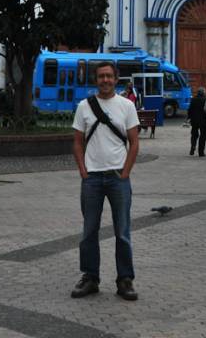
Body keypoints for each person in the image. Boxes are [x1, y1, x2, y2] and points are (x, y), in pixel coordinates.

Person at [71, 60, 139, 301]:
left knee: (122, 231)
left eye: (109, 76)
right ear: (96, 79)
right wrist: (83, 171)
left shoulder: (126, 106)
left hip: (118, 177)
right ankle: (90, 277)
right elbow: (77, 141)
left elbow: (134, 142)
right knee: (89, 230)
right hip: (92, 178)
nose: (105, 80)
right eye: (101, 76)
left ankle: (125, 279)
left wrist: (126, 172)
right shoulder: (84, 107)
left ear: (116, 78)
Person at [187, 86, 206, 156]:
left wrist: (189, 118)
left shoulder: (193, 99)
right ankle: (201, 152)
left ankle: (193, 147)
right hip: (204, 121)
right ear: (203, 93)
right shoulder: (205, 100)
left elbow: (189, 110)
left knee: (194, 135)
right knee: (203, 136)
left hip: (194, 120)